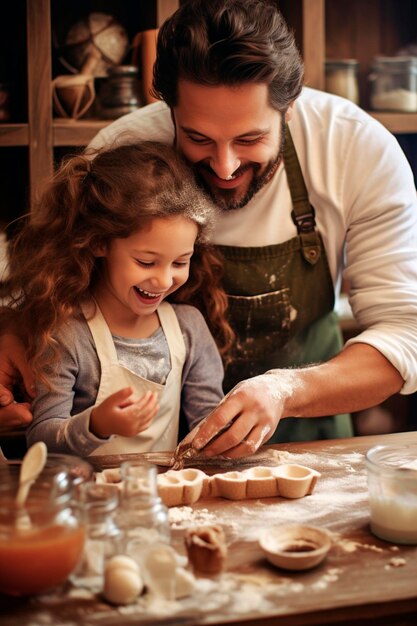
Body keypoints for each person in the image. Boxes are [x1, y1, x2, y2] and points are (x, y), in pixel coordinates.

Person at [2, 0, 417, 457]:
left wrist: (286, 391)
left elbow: (404, 336)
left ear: (290, 108)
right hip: (155, 459)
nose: (225, 166)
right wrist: (15, 341)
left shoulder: (357, 149)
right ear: (169, 109)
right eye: (198, 138)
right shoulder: (122, 154)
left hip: (311, 443)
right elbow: (56, 290)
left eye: (249, 139)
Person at [5, 141, 231, 456]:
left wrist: (232, 426)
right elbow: (41, 439)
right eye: (146, 262)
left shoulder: (188, 328)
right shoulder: (69, 335)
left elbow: (206, 423)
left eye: (180, 262)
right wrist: (97, 424)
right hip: (87, 499)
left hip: (158, 498)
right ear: (99, 244)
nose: (165, 280)